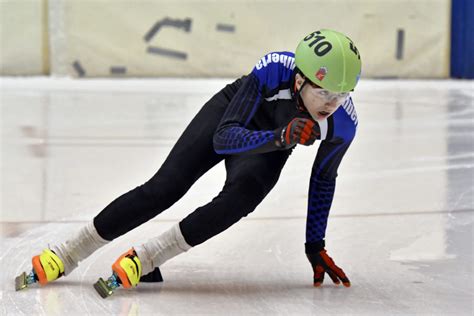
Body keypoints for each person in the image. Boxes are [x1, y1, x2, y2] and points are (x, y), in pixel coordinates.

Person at [17, 29, 362, 294]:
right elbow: (224, 137)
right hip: (237, 117)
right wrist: (280, 137)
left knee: (242, 197)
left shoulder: (343, 124)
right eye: (323, 91)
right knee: (165, 187)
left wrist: (315, 245)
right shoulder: (274, 69)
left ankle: (149, 257)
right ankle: (67, 253)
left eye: (341, 94)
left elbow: (323, 179)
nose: (331, 103)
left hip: (275, 139)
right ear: (300, 78)